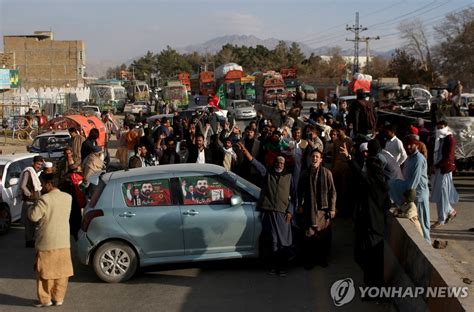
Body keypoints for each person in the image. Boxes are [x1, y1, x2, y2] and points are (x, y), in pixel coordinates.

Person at [239, 142, 293, 276]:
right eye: (278, 162)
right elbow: (257, 165)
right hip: (269, 212)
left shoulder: (289, 177)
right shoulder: (268, 174)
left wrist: (290, 211)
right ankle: (274, 267)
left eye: (282, 163)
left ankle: (283, 267)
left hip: (283, 214)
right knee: (273, 241)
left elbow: (294, 197)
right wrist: (246, 152)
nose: (279, 164)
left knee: (284, 242)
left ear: (284, 164)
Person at [28, 173, 73, 307]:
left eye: (42, 184)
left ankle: (45, 300)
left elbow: (34, 217)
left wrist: (32, 204)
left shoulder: (44, 199)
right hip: (64, 241)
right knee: (62, 272)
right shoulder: (68, 197)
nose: (41, 186)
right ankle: (59, 298)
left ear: (49, 184)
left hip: (47, 242)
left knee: (44, 273)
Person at [297, 148, 336, 269]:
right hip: (309, 209)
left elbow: (332, 192)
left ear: (321, 159)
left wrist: (332, 209)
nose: (314, 159)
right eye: (313, 156)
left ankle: (322, 259)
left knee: (323, 236)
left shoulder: (327, 173)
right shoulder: (304, 173)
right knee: (309, 235)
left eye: (317, 157)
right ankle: (309, 261)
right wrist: (299, 205)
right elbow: (299, 192)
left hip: (322, 210)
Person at [430, 119, 459, 228]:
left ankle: (441, 219)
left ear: (446, 127)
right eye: (438, 128)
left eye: (441, 127)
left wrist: (435, 166)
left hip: (444, 170)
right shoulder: (440, 139)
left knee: (442, 194)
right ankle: (450, 212)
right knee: (440, 193)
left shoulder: (450, 140)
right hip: (438, 169)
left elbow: (448, 158)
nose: (439, 130)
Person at [19, 155, 44, 248]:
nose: (39, 166)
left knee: (34, 222)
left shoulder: (34, 172)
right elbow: (23, 186)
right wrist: (30, 194)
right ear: (33, 163)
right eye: (38, 164)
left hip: (35, 201)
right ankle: (29, 241)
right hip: (29, 201)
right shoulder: (28, 172)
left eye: (41, 164)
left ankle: (32, 240)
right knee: (29, 223)